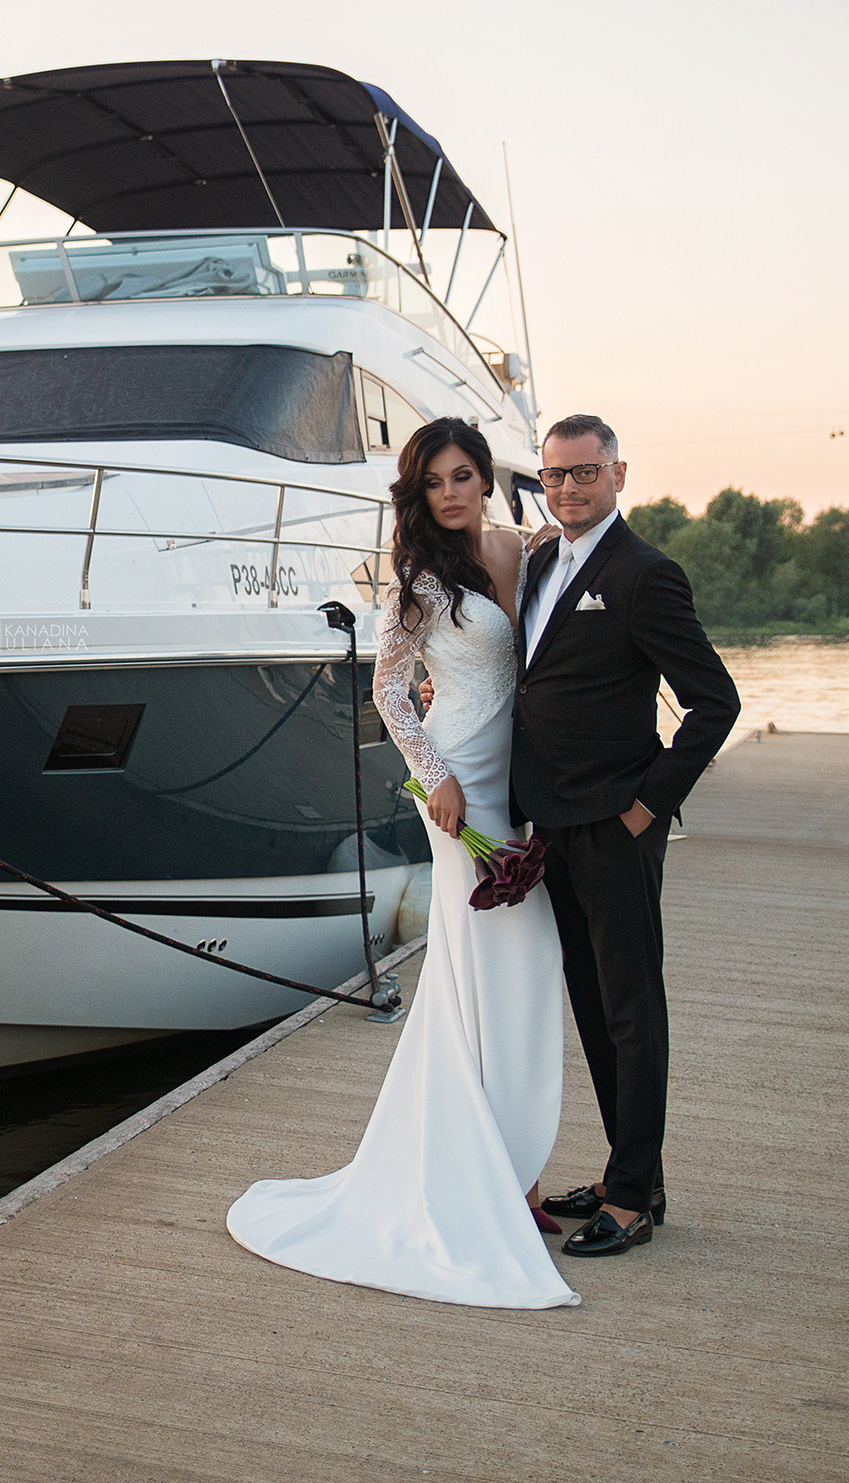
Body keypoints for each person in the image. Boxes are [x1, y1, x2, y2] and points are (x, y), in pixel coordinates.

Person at [225, 418, 579, 1309]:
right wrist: (437, 777)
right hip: (460, 786)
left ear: (484, 481)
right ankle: (503, 1182)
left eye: (463, 475)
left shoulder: (525, 553)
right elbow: (389, 687)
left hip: (520, 777)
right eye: (434, 481)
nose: (451, 491)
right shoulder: (420, 577)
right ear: (417, 494)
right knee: (478, 967)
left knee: (529, 966)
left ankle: (513, 1162)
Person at [513, 414, 739, 1258]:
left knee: (635, 1010)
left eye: (584, 473)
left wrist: (647, 807)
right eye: (555, 475)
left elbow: (715, 703)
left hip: (615, 823)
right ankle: (624, 1171)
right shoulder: (541, 562)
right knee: (595, 1007)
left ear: (617, 474)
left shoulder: (646, 574)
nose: (569, 488)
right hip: (553, 825)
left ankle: (636, 1196)